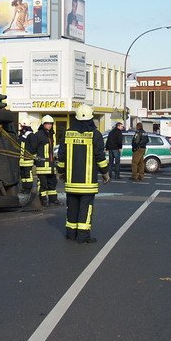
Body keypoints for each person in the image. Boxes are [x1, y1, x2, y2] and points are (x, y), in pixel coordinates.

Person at [57, 104, 109, 243]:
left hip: (71, 181)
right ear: (91, 119)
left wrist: (61, 172)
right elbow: (100, 157)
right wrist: (105, 173)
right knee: (85, 209)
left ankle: (70, 234)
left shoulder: (68, 133)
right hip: (87, 183)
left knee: (72, 208)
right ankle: (83, 236)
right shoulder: (95, 135)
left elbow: (61, 156)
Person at [30, 115, 59, 206]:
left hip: (50, 165)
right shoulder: (38, 135)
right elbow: (32, 149)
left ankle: (53, 200)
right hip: (42, 164)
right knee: (43, 184)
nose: (49, 125)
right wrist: (36, 160)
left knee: (52, 183)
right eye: (47, 124)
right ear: (43, 124)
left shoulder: (51, 135)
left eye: (51, 124)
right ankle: (43, 200)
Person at [18, 124, 35, 191]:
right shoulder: (22, 136)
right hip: (21, 160)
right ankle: (24, 188)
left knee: (28, 175)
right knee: (23, 176)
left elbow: (33, 148)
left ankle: (28, 189)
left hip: (27, 160)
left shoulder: (31, 136)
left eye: (22, 127)